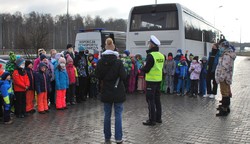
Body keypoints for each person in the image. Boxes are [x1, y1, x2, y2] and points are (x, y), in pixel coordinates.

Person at [96, 38, 126, 144]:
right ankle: (118, 138)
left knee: (107, 115)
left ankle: (107, 137)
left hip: (106, 91)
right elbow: (124, 76)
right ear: (113, 48)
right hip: (117, 91)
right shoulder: (118, 62)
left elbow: (97, 76)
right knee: (118, 115)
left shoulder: (100, 62)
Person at [141, 35, 165, 126]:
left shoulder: (150, 56)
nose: (148, 45)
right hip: (158, 80)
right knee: (157, 100)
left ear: (152, 45)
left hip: (151, 80)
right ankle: (158, 118)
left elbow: (147, 68)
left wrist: (142, 68)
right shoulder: (161, 55)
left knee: (150, 100)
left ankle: (152, 120)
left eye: (149, 43)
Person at [215, 40, 236, 116]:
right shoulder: (227, 54)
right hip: (226, 77)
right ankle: (226, 108)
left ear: (224, 46)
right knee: (225, 92)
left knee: (224, 93)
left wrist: (221, 77)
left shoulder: (227, 55)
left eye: (221, 46)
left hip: (224, 77)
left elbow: (224, 67)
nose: (220, 47)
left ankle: (224, 110)